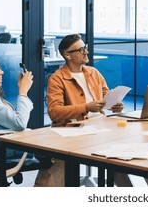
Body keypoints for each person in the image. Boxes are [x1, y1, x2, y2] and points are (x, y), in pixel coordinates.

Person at [35, 33, 128, 187]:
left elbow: (106, 96)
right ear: (68, 55)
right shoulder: (57, 79)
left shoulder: (94, 73)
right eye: (80, 50)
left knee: (121, 155)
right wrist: (85, 107)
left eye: (85, 48)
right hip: (72, 129)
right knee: (59, 159)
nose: (86, 52)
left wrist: (115, 105)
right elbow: (54, 112)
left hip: (100, 125)